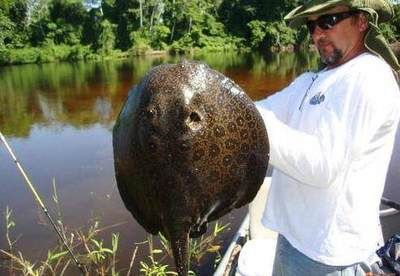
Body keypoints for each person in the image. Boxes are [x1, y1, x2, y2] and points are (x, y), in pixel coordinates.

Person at [255, 0, 400, 275]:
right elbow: (260, 110)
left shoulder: (369, 76)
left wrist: (250, 124)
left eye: (328, 22)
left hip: (333, 257)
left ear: (361, 21)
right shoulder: (311, 80)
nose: (317, 34)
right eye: (311, 25)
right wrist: (218, 102)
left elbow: (323, 166)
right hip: (291, 240)